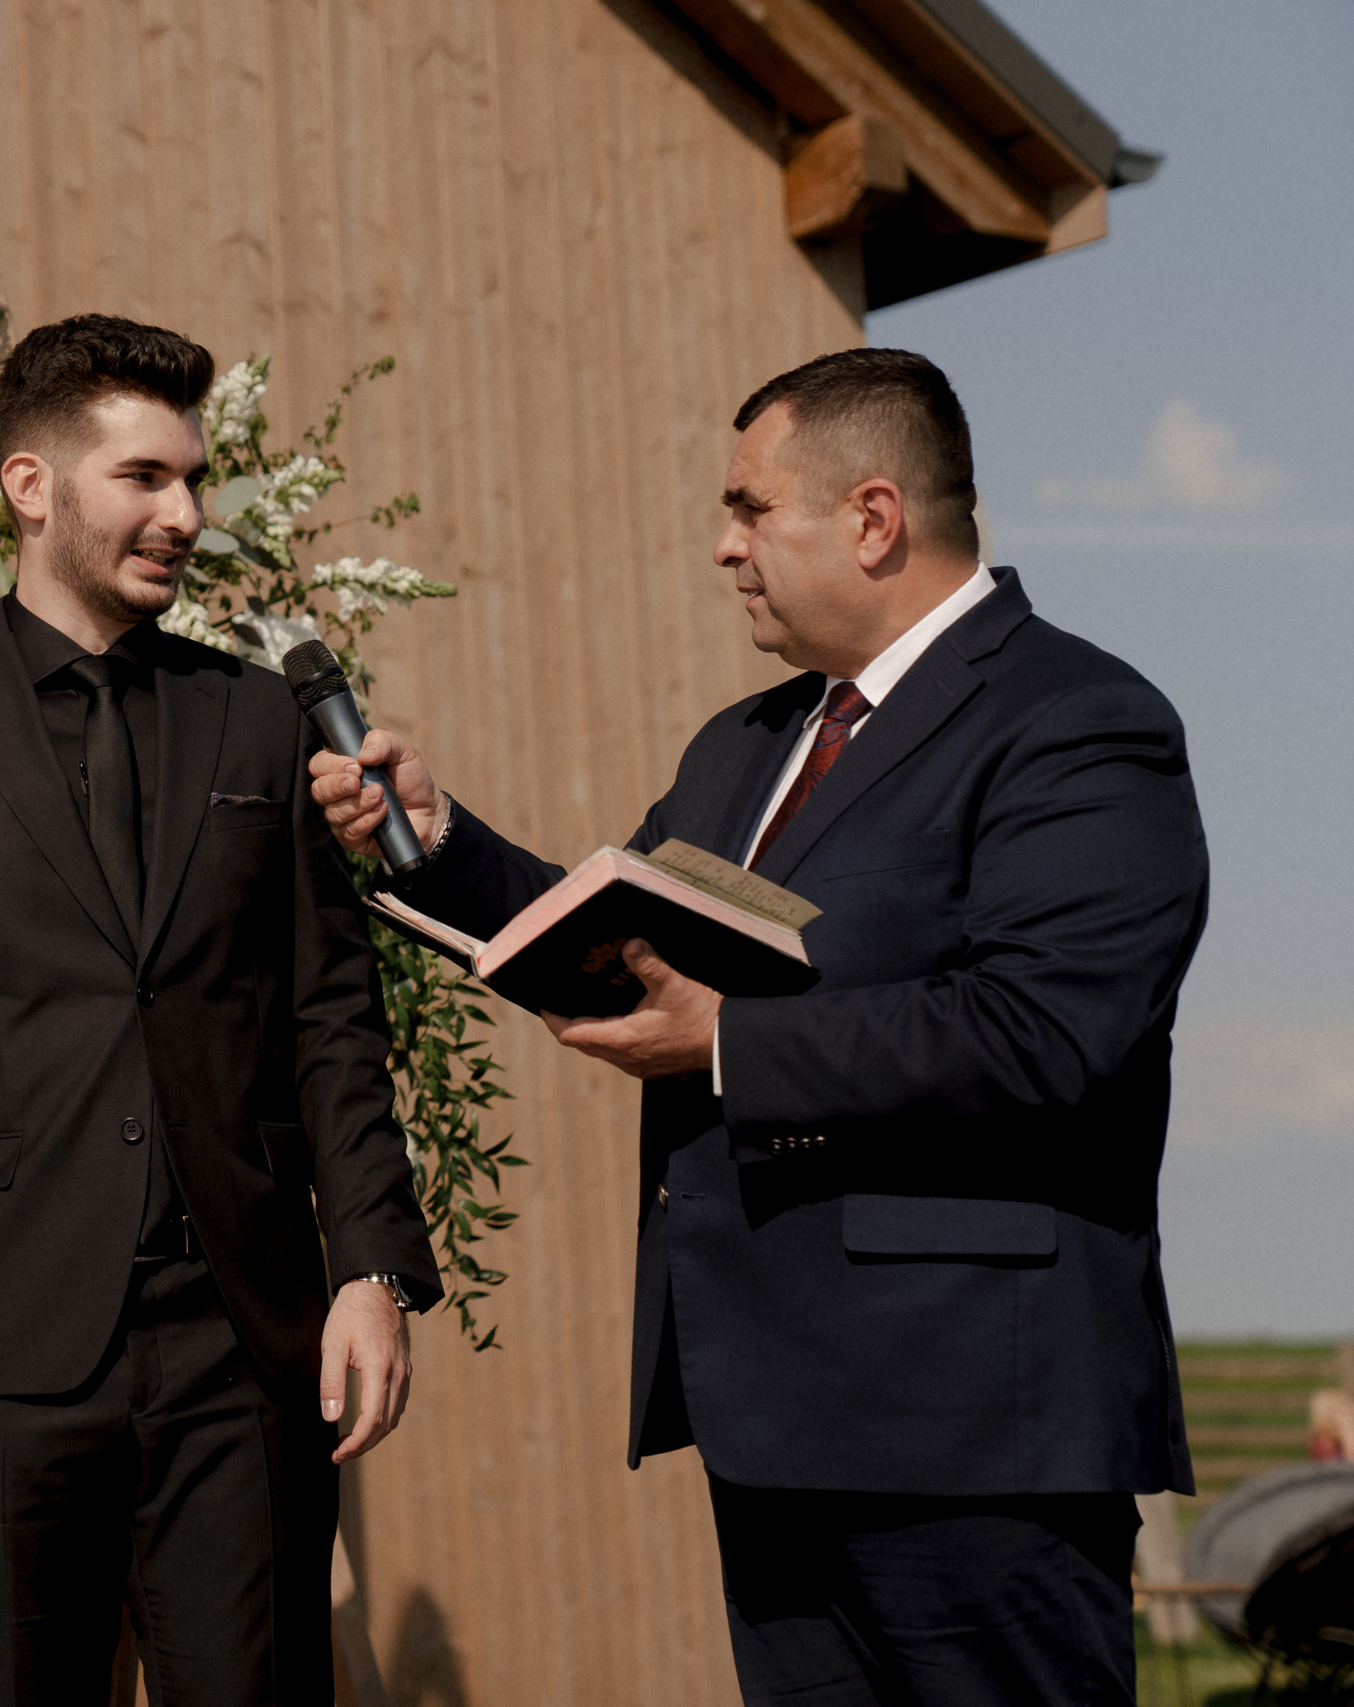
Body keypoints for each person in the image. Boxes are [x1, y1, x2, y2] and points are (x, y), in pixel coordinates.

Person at [312, 347, 1209, 1705]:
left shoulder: (1079, 721)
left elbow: (1050, 1031)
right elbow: (634, 945)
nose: (721, 546)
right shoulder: (747, 745)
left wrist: (729, 1045)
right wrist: (438, 844)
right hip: (771, 1411)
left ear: (871, 517)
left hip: (974, 1426)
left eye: (749, 508)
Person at [0, 314, 442, 1706]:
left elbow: (330, 1018)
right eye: (145, 477)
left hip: (241, 1349)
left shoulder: (260, 721)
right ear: (31, 486)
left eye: (192, 477)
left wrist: (371, 1262)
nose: (185, 513)